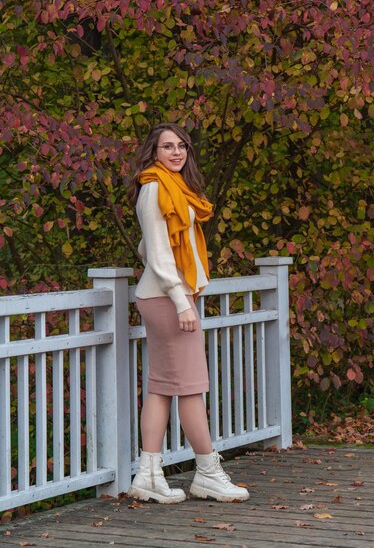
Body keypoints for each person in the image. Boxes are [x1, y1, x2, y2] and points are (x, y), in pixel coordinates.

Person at [127, 122, 249, 504]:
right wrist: (182, 302)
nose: (176, 152)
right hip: (168, 299)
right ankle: (208, 473)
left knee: (163, 387)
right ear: (154, 152)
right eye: (167, 146)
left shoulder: (176, 189)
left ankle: (148, 475)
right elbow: (159, 255)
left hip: (167, 295)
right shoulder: (153, 188)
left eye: (181, 146)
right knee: (192, 386)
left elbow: (150, 247)